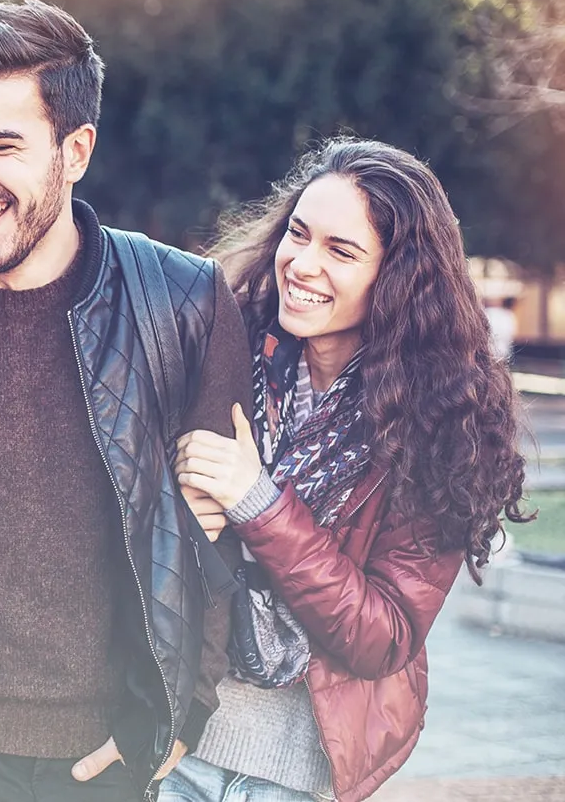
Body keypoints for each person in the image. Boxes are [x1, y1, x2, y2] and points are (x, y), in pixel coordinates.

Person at [0, 0, 254, 802]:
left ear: (75, 150)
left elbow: (214, 535)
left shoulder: (183, 301)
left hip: (102, 762)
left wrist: (177, 710)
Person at [162, 138, 529, 802]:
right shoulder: (222, 346)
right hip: (172, 741)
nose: (302, 263)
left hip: (294, 772)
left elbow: (382, 636)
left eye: (341, 250)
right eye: (298, 233)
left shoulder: (444, 424)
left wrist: (258, 501)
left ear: (397, 279)